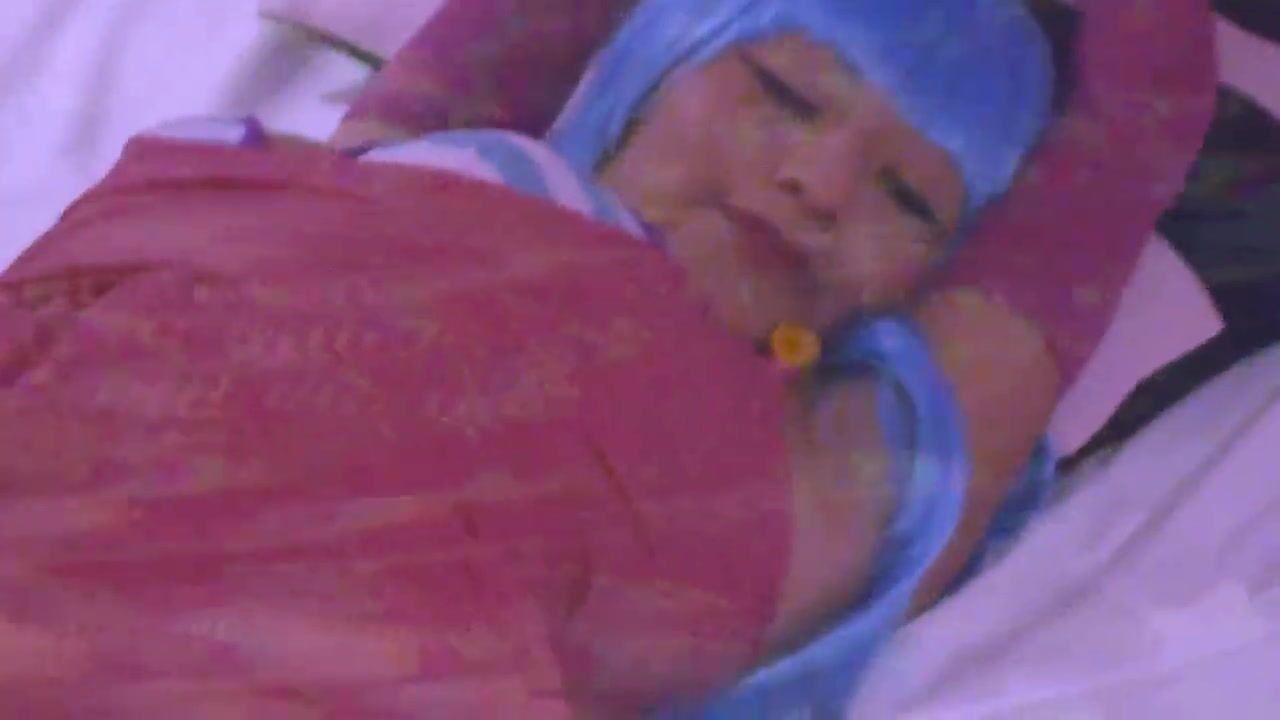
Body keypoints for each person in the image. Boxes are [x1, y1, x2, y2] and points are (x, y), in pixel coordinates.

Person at [0, 1, 1213, 718]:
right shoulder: (361, 183)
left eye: (908, 195)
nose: (818, 182)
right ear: (651, 60)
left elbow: (1135, 116)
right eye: (782, 93)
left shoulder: (825, 469)